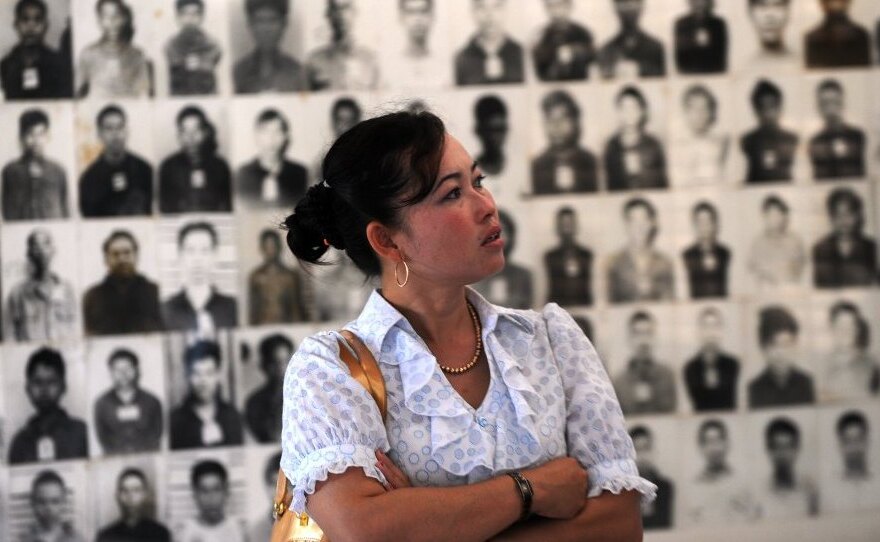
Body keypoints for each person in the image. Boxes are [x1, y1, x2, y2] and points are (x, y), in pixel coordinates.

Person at [279, 110, 654, 540]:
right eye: (453, 194)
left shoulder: (549, 340)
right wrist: (533, 490)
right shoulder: (328, 370)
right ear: (387, 240)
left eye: (478, 181)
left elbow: (619, 524)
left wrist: (432, 521)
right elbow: (366, 530)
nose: (487, 205)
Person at [8, 347, 88, 464]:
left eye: (51, 382)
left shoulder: (81, 433)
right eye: (37, 382)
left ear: (63, 387)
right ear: (27, 388)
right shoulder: (19, 442)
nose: (44, 390)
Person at [162, 222, 238, 335]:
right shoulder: (165, 310)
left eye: (205, 250)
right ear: (180, 256)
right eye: (190, 251)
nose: (197, 259)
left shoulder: (233, 307)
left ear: (215, 256)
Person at [82, 230, 163, 335]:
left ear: (136, 256)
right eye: (115, 254)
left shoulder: (154, 292)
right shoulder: (92, 297)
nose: (122, 259)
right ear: (106, 259)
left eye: (127, 253)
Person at [78, 104, 153, 217]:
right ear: (99, 134)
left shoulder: (145, 170)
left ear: (127, 131)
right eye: (109, 128)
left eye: (120, 127)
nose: (116, 134)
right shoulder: (89, 178)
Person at [4, 228, 78, 342]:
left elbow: (76, 330)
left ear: (53, 250)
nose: (42, 251)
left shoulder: (67, 289)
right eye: (35, 246)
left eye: (46, 244)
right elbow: (9, 337)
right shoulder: (17, 294)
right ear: (29, 254)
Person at [169, 340, 244, 450]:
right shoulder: (175, 420)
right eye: (196, 373)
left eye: (209, 373)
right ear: (187, 376)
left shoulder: (233, 416)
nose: (203, 381)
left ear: (218, 375)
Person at [684, 419, 760, 525]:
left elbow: (754, 521)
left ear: (726, 444)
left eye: (718, 441)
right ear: (701, 447)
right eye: (708, 442)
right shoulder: (692, 488)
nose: (714, 448)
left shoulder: (742, 484)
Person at [158, 105, 232, 214]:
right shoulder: (168, 168)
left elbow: (226, 208)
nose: (191, 138)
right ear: (179, 136)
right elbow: (165, 210)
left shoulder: (221, 167)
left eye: (196, 131)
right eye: (185, 132)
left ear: (205, 133)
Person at [2, 108, 69, 221]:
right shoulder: (10, 171)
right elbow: (6, 210)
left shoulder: (58, 171)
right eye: (30, 134)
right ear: (21, 137)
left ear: (48, 136)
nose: (36, 140)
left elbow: (65, 210)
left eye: (41, 134)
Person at [93, 348, 163, 454]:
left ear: (136, 370)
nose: (123, 374)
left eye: (128, 368)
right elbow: (103, 438)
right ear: (111, 373)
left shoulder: (152, 402)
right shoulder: (102, 404)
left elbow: (156, 435)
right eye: (117, 370)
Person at [76, 0, 152, 97]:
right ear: (99, 21)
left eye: (117, 15)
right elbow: (78, 97)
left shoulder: (137, 56)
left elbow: (144, 95)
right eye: (106, 16)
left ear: (124, 19)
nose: (112, 22)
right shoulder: (87, 55)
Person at [236, 108, 308, 210]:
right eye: (265, 132)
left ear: (285, 137)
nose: (271, 139)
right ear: (256, 136)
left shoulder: (300, 174)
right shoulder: (242, 175)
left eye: (277, 131)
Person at [607, 197, 675, 303]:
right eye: (634, 221)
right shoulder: (613, 264)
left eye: (644, 220)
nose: (639, 226)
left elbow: (669, 302)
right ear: (626, 225)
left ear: (652, 224)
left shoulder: (665, 263)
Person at [0, 0, 73, 99]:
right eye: (25, 19)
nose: (31, 26)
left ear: (46, 25)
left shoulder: (59, 64)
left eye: (37, 20)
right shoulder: (6, 65)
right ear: (16, 25)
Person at [531, 90, 598, 195]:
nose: (556, 126)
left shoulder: (592, 163)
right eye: (550, 119)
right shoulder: (537, 167)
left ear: (575, 122)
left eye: (563, 118)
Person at [748, 306, 816, 409]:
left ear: (795, 345)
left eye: (786, 344)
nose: (781, 352)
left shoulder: (808, 384)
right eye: (773, 344)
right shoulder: (753, 389)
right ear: (763, 348)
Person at [233, 0, 307, 93]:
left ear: (284, 24)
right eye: (260, 21)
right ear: (250, 24)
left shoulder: (298, 72)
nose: (266, 29)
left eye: (272, 20)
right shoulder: (239, 72)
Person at [613, 310, 677, 415]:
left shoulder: (668, 376)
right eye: (638, 334)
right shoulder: (619, 382)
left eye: (648, 333)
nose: (644, 341)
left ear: (654, 337)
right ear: (630, 339)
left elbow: (670, 414)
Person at [604, 86, 668, 191]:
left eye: (634, 107)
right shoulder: (612, 146)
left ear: (642, 111)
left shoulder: (653, 145)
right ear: (618, 113)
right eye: (624, 108)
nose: (629, 113)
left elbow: (661, 184)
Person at [306, 0, 380, 90]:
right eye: (335, 9)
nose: (341, 15)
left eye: (346, 7)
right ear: (328, 14)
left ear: (354, 12)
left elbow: (380, 101)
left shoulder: (370, 61)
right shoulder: (314, 62)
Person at [812, 188, 878, 288]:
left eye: (849, 214)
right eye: (837, 215)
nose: (843, 220)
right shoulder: (820, 249)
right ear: (831, 218)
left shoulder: (872, 248)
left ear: (858, 216)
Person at [473, 209, 534, 309]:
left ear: (511, 235)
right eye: (492, 231)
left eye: (503, 230)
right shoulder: (472, 276)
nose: (498, 236)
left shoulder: (523, 275)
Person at [741, 79, 799, 183]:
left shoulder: (792, 138)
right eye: (763, 107)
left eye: (772, 106)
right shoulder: (747, 140)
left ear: (780, 107)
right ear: (756, 110)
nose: (768, 112)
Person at [454, 0, 525, 85]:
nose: (490, 15)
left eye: (496, 6)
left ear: (505, 10)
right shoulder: (461, 59)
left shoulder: (522, 55)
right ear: (473, 11)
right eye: (482, 7)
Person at [671, 84, 729, 187]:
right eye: (694, 108)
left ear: (711, 112)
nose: (699, 114)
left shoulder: (722, 142)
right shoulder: (676, 146)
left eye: (704, 108)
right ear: (686, 112)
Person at [248, 229, 311, 325]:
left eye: (273, 246)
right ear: (262, 248)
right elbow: (253, 311)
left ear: (279, 247)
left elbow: (296, 309)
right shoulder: (256, 277)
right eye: (267, 247)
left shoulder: (291, 276)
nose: (271, 250)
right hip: (264, 327)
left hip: (288, 326)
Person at [761, 417, 820, 518]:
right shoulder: (760, 493)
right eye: (777, 447)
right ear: (769, 450)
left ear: (797, 449)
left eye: (788, 447)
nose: (783, 454)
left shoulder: (810, 492)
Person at [683, 307, 740, 411]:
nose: (711, 332)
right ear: (699, 332)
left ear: (721, 331)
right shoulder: (690, 368)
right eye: (706, 327)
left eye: (715, 326)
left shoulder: (733, 365)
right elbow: (698, 401)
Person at [808, 79, 866, 180]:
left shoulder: (858, 136)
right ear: (818, 106)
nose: (830, 108)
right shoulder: (814, 142)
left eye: (834, 102)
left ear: (842, 102)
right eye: (825, 103)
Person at [176, 460, 247, 541]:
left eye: (217, 489)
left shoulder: (239, 531)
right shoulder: (183, 533)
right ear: (195, 495)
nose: (211, 497)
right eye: (204, 491)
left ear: (226, 491)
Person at [95, 468, 172, 542]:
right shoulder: (105, 536)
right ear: (117, 496)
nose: (130, 497)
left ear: (145, 495)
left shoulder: (160, 534)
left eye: (136, 490)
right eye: (125, 490)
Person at [822, 302, 880, 399]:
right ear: (831, 328)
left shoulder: (871, 364)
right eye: (841, 325)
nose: (846, 331)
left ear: (857, 328)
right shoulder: (822, 364)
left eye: (851, 325)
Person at [164, 0, 222, 96]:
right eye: (185, 14)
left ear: (201, 17)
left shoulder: (213, 45)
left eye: (195, 14)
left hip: (207, 99)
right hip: (179, 100)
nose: (190, 19)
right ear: (178, 17)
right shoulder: (170, 46)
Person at [746, 195, 806, 287]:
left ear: (784, 217)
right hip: (766, 292)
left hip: (790, 290)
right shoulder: (757, 244)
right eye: (772, 215)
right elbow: (752, 271)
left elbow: (801, 270)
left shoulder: (795, 241)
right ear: (764, 216)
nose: (776, 219)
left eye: (779, 214)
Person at [388, 0, 450, 88]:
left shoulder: (445, 67)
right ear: (401, 17)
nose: (418, 19)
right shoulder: (390, 69)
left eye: (423, 11)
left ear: (432, 16)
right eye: (411, 12)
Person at [598, 0, 666, 78]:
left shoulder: (656, 48)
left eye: (634, 2)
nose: (629, 8)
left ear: (641, 6)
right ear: (615, 7)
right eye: (623, 3)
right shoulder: (606, 50)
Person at [245, 333, 294, 442]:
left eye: (286, 362)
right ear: (263, 365)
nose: (281, 369)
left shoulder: (305, 398)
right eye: (274, 363)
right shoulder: (254, 403)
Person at [531, 0, 595, 81]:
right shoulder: (541, 35)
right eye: (550, 6)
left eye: (560, 6)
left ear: (569, 6)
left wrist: (573, 52)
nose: (556, 12)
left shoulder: (582, 33)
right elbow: (538, 66)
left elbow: (592, 58)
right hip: (550, 85)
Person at [543, 207, 593, 307]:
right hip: (559, 307)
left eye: (570, 224)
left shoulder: (587, 254)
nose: (567, 229)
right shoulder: (550, 256)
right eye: (563, 225)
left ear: (576, 226)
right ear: (557, 227)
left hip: (584, 306)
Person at [682, 201, 730, 298]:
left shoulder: (725, 253)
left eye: (708, 221)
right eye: (700, 222)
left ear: (714, 224)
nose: (704, 226)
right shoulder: (687, 254)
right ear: (694, 225)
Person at [629, 426, 674, 529]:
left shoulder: (665, 487)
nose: (642, 455)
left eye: (646, 448)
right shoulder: (624, 490)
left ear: (653, 450)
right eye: (637, 449)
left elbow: (666, 525)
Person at [23, 470, 86, 542]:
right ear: (33, 503)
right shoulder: (24, 540)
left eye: (55, 501)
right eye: (42, 502)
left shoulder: (77, 539)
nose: (48, 508)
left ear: (64, 502)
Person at [805, 0, 871, 68]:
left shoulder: (861, 36)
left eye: (839, 1)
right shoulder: (814, 39)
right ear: (822, 3)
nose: (835, 4)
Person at [311, 96, 363, 180]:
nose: (345, 126)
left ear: (357, 121)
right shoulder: (323, 159)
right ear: (334, 123)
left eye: (350, 121)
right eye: (341, 120)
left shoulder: (367, 155)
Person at [673, 0, 728, 74]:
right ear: (690, 2)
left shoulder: (718, 24)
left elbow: (721, 54)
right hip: (689, 72)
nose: (700, 3)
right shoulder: (682, 24)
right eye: (696, 1)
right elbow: (680, 55)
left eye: (703, 0)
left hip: (713, 71)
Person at [746, 0, 795, 68]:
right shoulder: (744, 67)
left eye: (778, 5)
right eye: (761, 5)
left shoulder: (799, 62)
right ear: (750, 12)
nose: (770, 16)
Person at [249, 452, 283, 542]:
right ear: (267, 487)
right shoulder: (256, 532)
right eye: (276, 485)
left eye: (289, 485)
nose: (283, 492)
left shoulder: (312, 528)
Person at [472, 95, 509, 176]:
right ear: (479, 131)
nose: (496, 138)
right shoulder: (470, 170)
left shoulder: (519, 166)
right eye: (490, 130)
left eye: (500, 130)